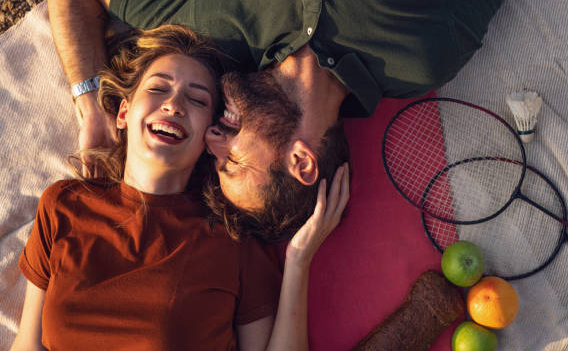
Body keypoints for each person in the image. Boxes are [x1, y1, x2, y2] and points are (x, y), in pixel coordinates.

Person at [45, 0, 528, 238]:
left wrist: (92, 113)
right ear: (301, 161)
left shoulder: (205, 33)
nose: (212, 138)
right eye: (232, 161)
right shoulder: (425, 54)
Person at [10, 25, 350, 350]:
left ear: (209, 134)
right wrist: (87, 103)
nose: (174, 105)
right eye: (158, 89)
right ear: (124, 112)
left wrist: (298, 260)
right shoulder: (65, 205)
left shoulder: (231, 239)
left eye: (198, 100)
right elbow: (27, 344)